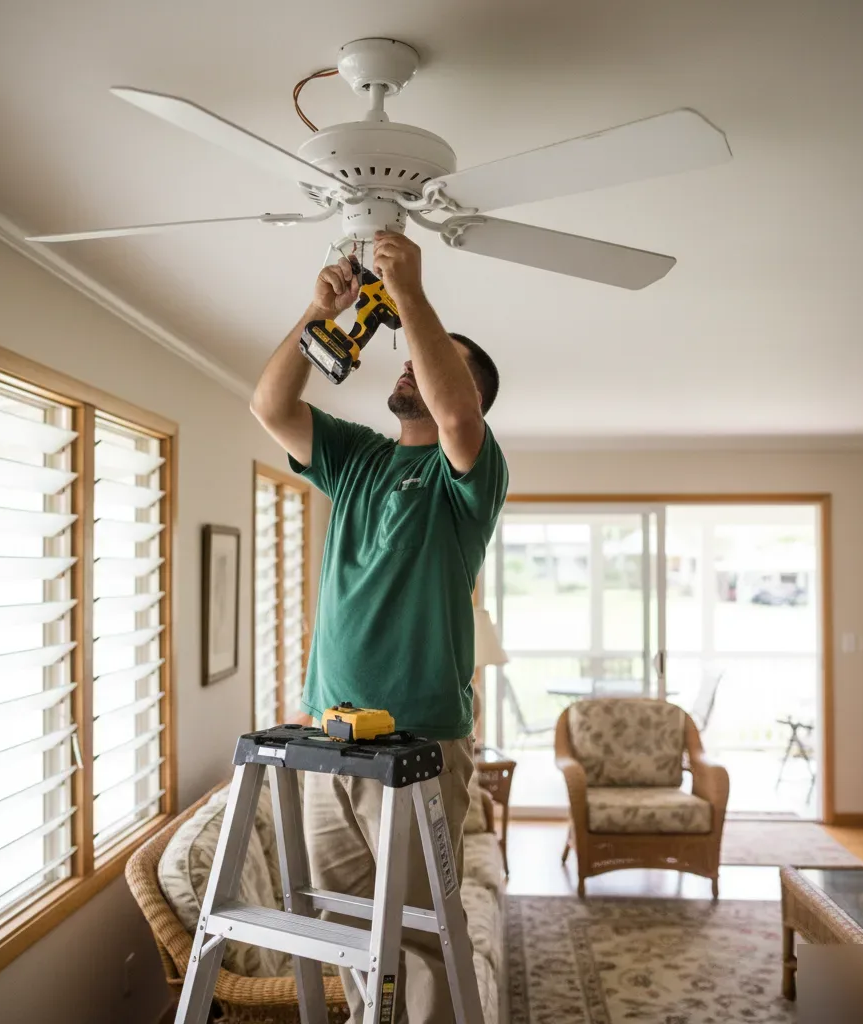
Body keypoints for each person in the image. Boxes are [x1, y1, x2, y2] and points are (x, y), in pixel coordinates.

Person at [250, 230, 507, 1024]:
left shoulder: (466, 477)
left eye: (431, 357)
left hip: (419, 742)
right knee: (348, 929)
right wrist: (318, 311)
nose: (405, 358)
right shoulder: (356, 458)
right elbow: (270, 406)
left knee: (424, 936)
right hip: (328, 737)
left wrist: (415, 295)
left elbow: (458, 417)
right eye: (411, 351)